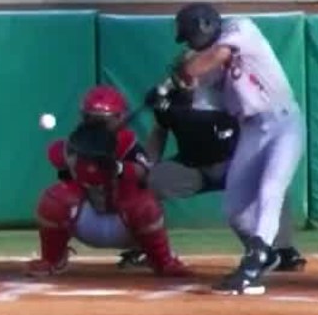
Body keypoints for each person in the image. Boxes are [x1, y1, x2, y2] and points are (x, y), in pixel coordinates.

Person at [147, 2, 304, 295]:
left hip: (283, 122)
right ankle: (265, 252)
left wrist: (174, 80)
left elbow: (206, 61)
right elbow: (197, 101)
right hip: (251, 131)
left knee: (271, 188)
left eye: (191, 37)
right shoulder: (212, 76)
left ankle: (253, 265)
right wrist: (165, 100)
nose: (191, 45)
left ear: (204, 27)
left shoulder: (240, 28)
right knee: (234, 210)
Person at [117, 70, 306, 272]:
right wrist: (147, 166)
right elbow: (159, 133)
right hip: (192, 167)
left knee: (271, 180)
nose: (187, 78)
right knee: (146, 184)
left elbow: (212, 122)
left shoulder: (229, 93)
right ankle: (146, 247)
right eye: (182, 72)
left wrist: (168, 107)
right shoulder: (172, 100)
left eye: (192, 72)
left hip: (234, 166)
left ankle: (282, 249)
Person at [24, 85, 192, 278]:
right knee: (54, 197)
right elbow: (56, 157)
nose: (95, 124)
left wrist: (117, 167)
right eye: (90, 118)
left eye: (102, 120)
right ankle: (52, 260)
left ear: (119, 118)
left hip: (126, 223)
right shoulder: (75, 143)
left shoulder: (128, 142)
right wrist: (79, 157)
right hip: (87, 221)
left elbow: (144, 173)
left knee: (145, 204)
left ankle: (163, 261)